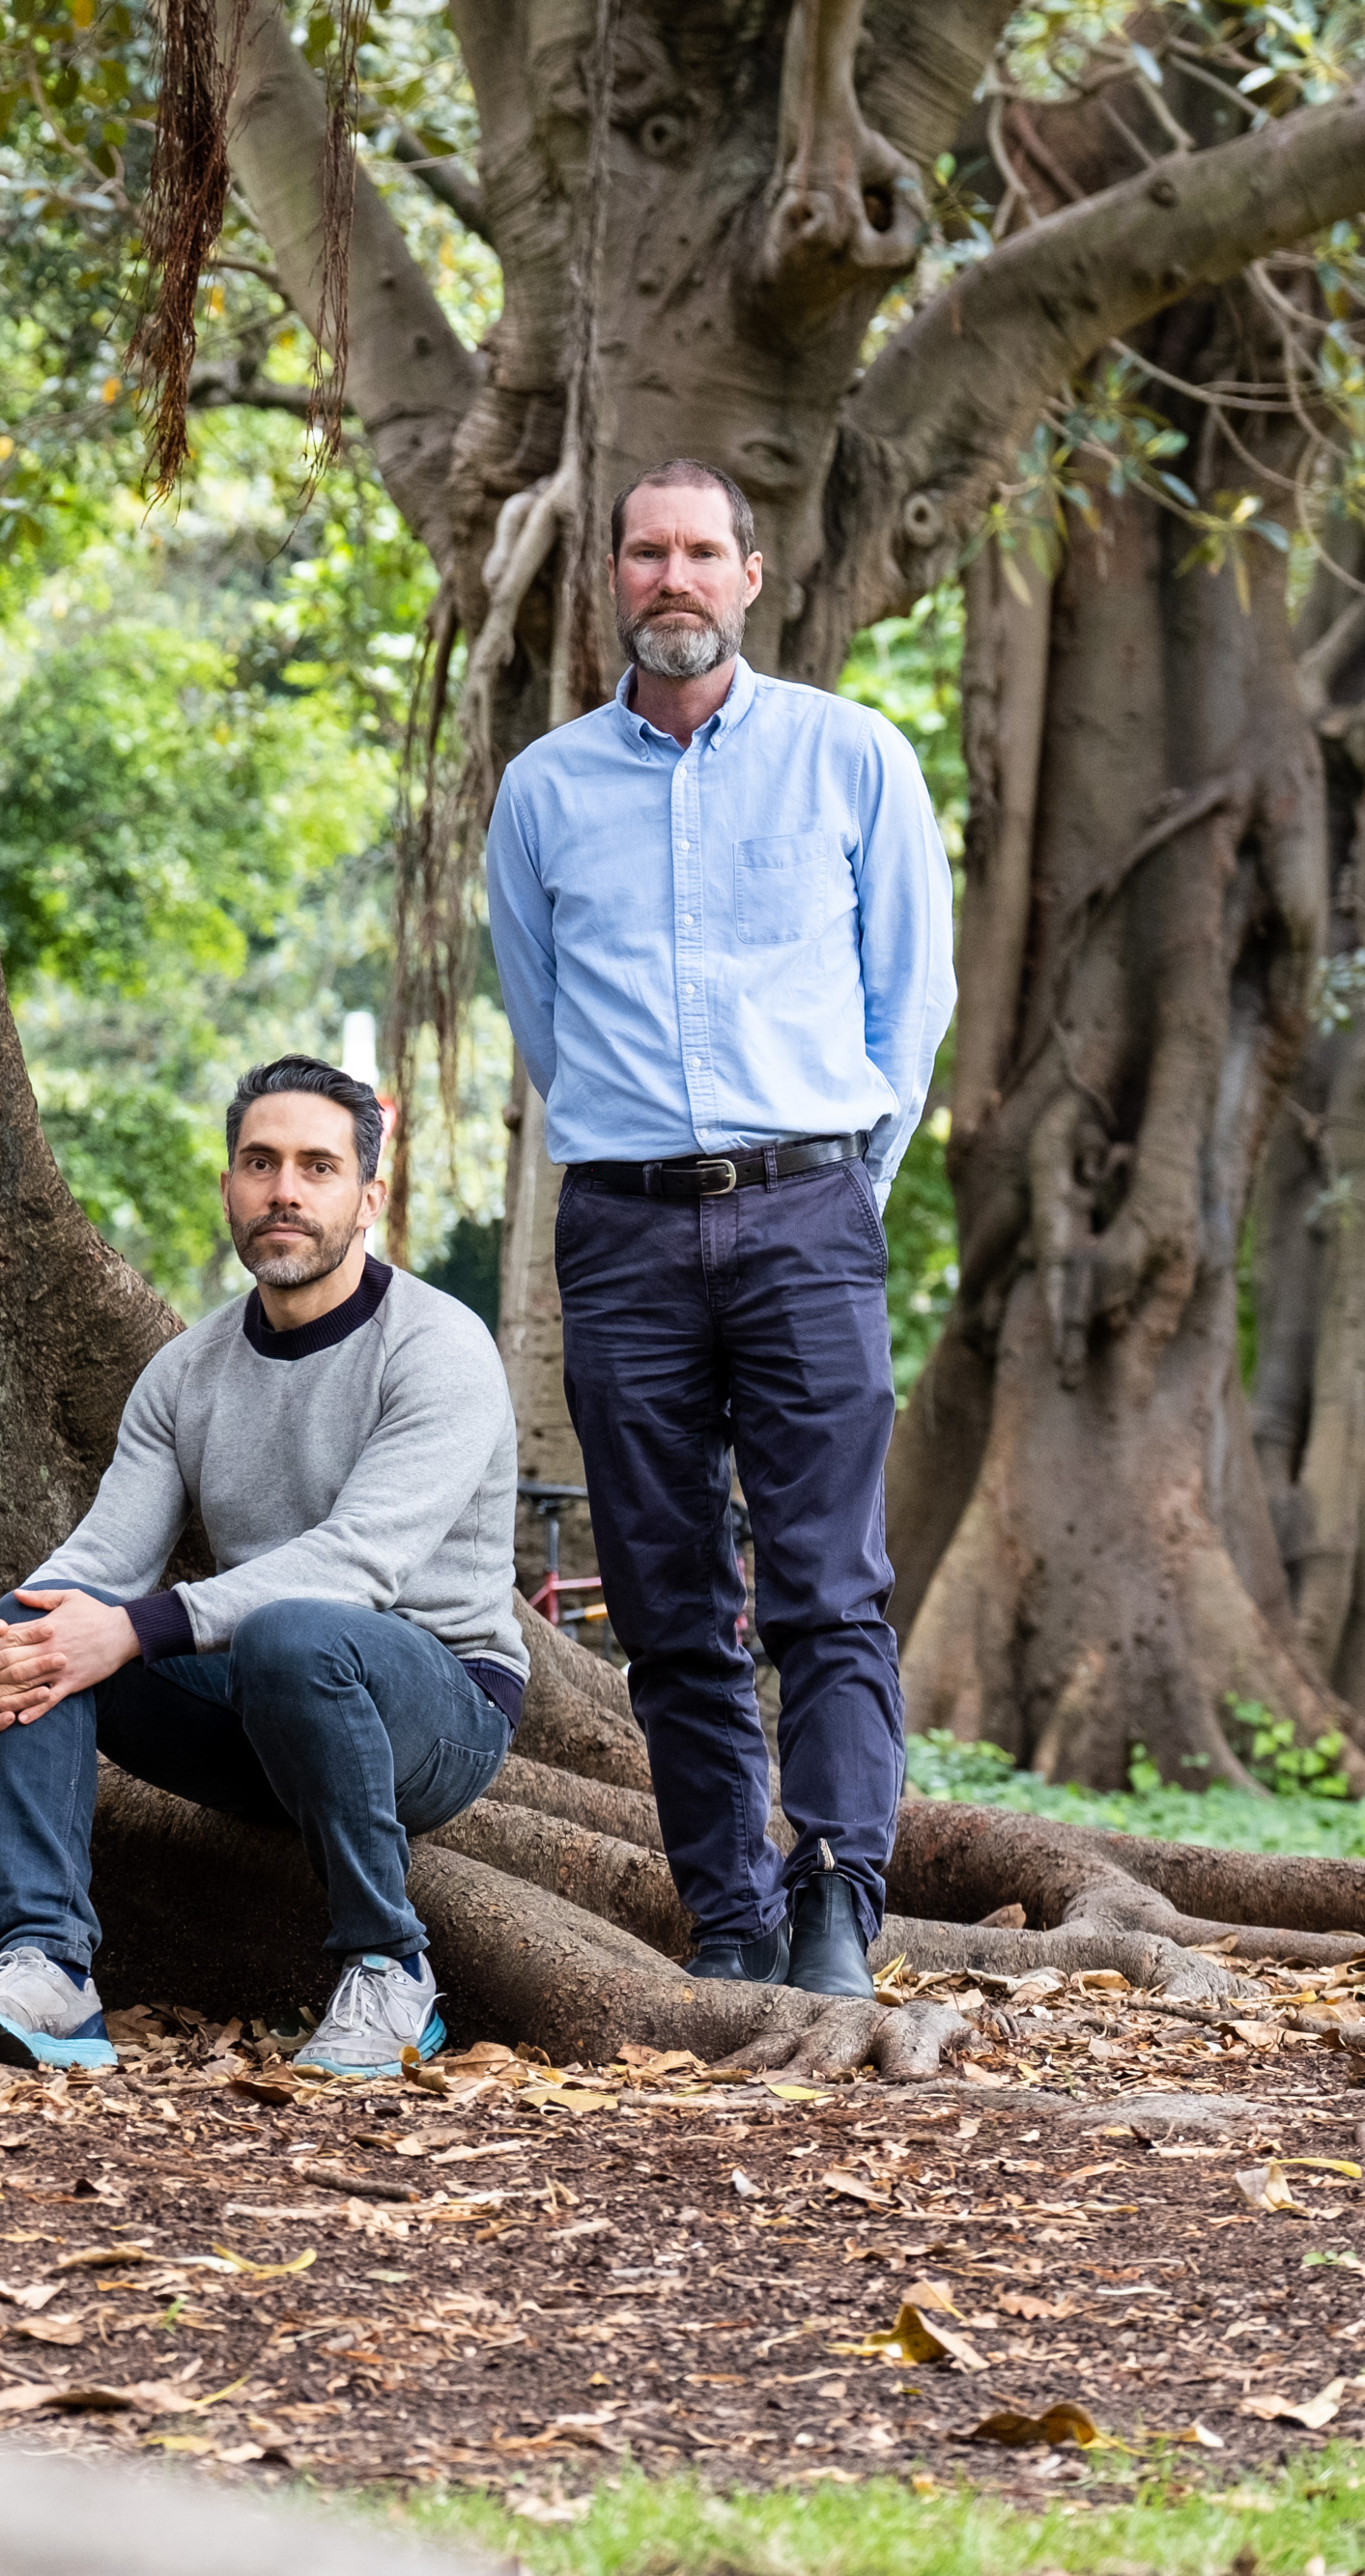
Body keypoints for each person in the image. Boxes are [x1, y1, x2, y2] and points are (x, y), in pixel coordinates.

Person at [484, 458, 953, 2001]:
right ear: (611, 576)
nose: (672, 576)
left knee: (829, 1583)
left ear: (753, 573)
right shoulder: (546, 788)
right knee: (668, 1596)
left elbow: (913, 993)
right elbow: (547, 1022)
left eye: (701, 551)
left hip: (808, 1211)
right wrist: (643, 1161)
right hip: (622, 1233)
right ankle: (729, 1909)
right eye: (645, 552)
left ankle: (838, 1896)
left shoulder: (851, 756)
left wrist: (841, 1188)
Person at [0, 1060, 525, 2078]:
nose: (285, 1192)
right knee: (41, 1617)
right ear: (228, 1188)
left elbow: (359, 1564)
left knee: (290, 1630)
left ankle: (391, 1973)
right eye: (259, 1164)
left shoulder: (438, 1347)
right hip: (260, 1703)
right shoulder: (187, 1370)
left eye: (317, 1167)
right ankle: (46, 1966)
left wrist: (131, 1628)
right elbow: (100, 1558)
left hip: (433, 1711)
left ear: (367, 1198)